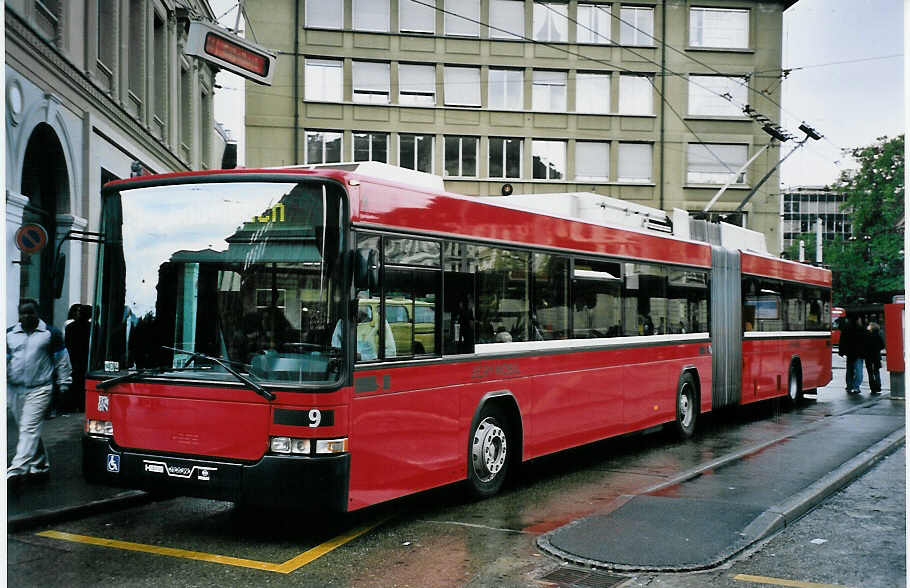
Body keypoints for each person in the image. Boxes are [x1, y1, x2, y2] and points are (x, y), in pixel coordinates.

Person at [7, 298, 72, 484]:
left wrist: (64, 383)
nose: (26, 316)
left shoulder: (50, 334)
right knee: (27, 428)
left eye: (30, 312)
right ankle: (40, 463)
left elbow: (61, 360)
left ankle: (16, 470)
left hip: (40, 389)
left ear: (38, 313)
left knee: (28, 427)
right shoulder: (9, 334)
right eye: (23, 313)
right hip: (15, 390)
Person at [64, 304, 91, 412]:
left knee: (75, 382)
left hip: (74, 358)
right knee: (81, 383)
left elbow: (67, 344)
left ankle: (73, 405)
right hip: (84, 358)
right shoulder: (92, 326)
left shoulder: (70, 327)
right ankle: (81, 404)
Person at [838, 313, 864, 394]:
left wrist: (841, 351)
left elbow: (842, 341)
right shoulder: (860, 328)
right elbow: (864, 342)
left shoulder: (846, 328)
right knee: (859, 370)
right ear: (857, 320)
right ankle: (856, 387)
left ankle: (849, 386)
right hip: (859, 353)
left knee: (849, 370)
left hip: (849, 353)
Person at [864, 322, 885, 395]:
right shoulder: (878, 335)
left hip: (868, 356)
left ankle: (873, 388)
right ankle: (878, 386)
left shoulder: (867, 335)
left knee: (870, 372)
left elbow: (864, 346)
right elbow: (882, 345)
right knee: (876, 372)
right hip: (876, 356)